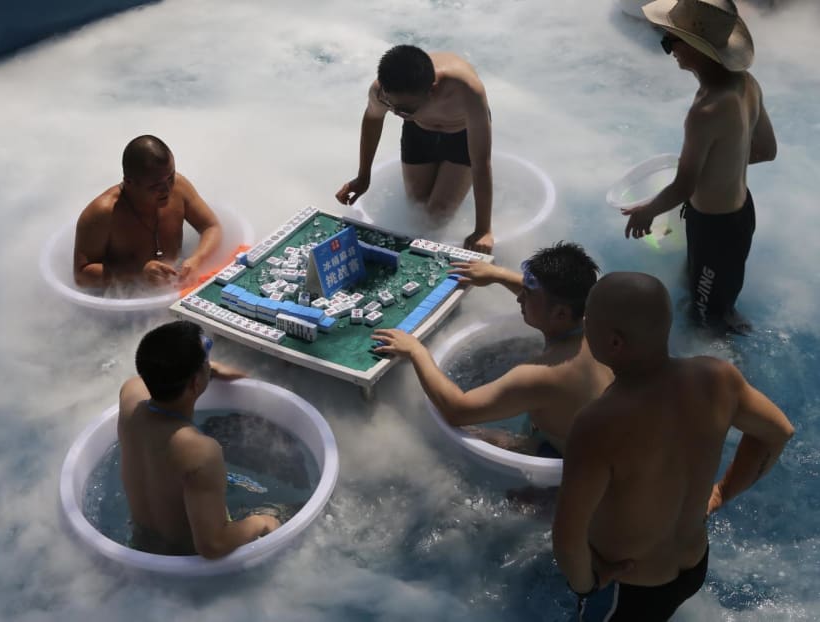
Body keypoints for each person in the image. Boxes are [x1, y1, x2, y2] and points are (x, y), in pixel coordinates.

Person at [553, 272, 794, 621]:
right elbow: (778, 433)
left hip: (630, 588)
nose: (584, 323)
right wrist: (723, 492)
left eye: (589, 318)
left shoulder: (599, 423)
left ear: (614, 342)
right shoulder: (717, 378)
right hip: (694, 565)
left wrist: (588, 586)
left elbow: (567, 537)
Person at [621, 0, 776, 333]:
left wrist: (647, 211)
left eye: (669, 40)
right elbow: (766, 150)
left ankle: (724, 367)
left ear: (694, 47)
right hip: (739, 215)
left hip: (715, 229)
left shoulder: (705, 111)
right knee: (706, 292)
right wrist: (722, 163)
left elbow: (684, 186)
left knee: (705, 321)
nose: (668, 49)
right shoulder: (747, 83)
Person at [372, 242, 613, 457]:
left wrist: (417, 351)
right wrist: (498, 274)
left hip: (562, 462)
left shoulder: (543, 374)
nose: (520, 299)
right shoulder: (597, 324)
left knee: (464, 433)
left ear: (560, 313)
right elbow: (548, 299)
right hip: (591, 437)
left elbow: (457, 411)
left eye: (527, 296)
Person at [118, 320, 280, 557]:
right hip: (186, 559)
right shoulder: (199, 450)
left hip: (141, 545)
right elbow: (212, 546)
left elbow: (151, 376)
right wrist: (261, 521)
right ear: (194, 382)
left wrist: (207, 369)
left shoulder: (130, 395)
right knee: (285, 514)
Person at [335, 45, 494, 253]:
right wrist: (363, 176)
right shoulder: (380, 92)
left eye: (407, 110)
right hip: (419, 133)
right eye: (393, 107)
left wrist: (483, 230)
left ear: (433, 89)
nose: (398, 113)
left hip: (461, 135)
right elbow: (373, 120)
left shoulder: (466, 91)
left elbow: (481, 161)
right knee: (416, 208)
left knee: (437, 214)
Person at [74, 135, 222, 288]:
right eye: (156, 186)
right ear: (129, 182)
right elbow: (81, 276)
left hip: (176, 285)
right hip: (124, 298)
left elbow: (211, 227)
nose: (167, 189)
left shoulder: (179, 187)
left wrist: (197, 259)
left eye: (170, 177)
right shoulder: (103, 213)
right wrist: (138, 274)